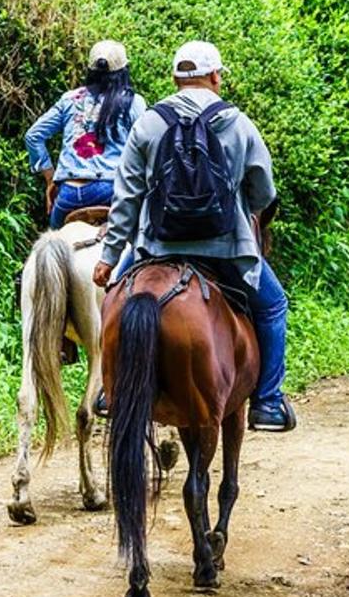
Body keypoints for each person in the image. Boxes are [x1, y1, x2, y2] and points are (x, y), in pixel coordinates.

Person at [92, 41, 296, 432]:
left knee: (115, 303)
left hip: (157, 247)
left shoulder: (150, 122)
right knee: (273, 306)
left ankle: (110, 388)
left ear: (175, 79)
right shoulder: (238, 122)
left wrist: (109, 255)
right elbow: (263, 192)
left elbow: (127, 196)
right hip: (226, 249)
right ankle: (268, 402)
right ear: (216, 77)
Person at [24, 40, 146, 228]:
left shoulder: (69, 99)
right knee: (139, 244)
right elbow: (144, 147)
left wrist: (50, 178)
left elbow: (33, 136)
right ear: (124, 70)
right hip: (111, 190)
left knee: (53, 249)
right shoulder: (133, 102)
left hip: (69, 193)